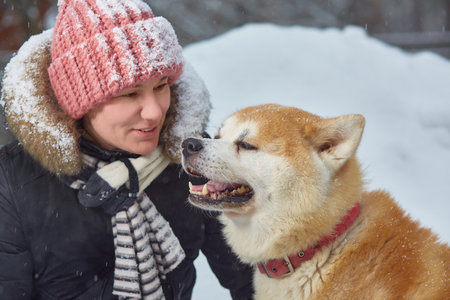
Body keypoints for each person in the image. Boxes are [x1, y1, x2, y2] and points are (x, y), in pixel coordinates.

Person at [0, 0, 254, 299]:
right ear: (79, 104)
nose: (154, 112)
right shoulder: (13, 184)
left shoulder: (188, 160)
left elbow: (249, 277)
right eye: (130, 93)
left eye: (161, 87)